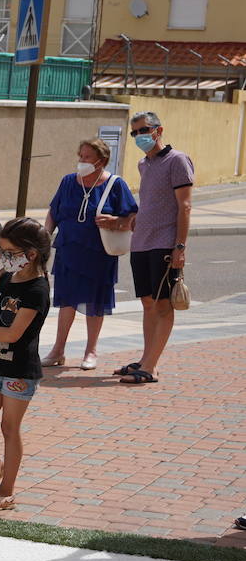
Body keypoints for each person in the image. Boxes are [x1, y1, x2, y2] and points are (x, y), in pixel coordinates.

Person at [0, 218, 52, 514]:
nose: (3, 258)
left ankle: (7, 491)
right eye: (2, 251)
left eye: (10, 252)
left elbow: (11, 333)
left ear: (31, 254)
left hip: (20, 371)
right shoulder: (5, 279)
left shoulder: (37, 290)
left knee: (9, 428)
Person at [42, 138, 137, 370]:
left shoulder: (115, 185)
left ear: (101, 161)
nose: (82, 161)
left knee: (95, 302)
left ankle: (91, 351)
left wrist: (116, 221)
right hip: (68, 249)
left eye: (87, 157)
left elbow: (133, 218)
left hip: (98, 253)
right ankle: (58, 350)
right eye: (80, 156)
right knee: (66, 302)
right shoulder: (67, 182)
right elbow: (53, 212)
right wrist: (44, 238)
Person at [117, 112, 193, 385]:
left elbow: (184, 206)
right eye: (134, 132)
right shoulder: (143, 164)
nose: (139, 136)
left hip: (164, 242)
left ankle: (151, 366)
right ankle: (145, 359)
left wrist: (179, 247)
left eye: (144, 130)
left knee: (162, 305)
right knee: (147, 303)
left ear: (159, 130)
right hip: (142, 242)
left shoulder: (178, 161)